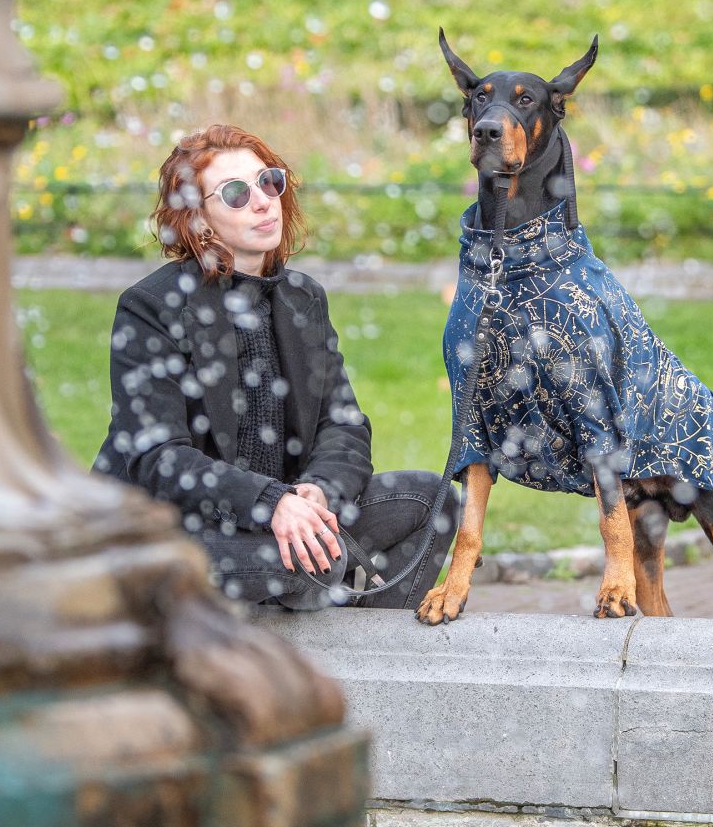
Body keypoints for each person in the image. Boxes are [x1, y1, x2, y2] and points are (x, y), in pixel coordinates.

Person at [94, 124, 459, 610]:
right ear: (198, 220)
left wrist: (318, 493)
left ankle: (364, 663)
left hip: (287, 517)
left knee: (434, 501)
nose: (263, 201)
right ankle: (305, 628)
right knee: (314, 563)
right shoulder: (152, 307)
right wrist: (270, 502)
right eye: (236, 194)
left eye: (268, 181)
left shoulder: (303, 299)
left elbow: (344, 426)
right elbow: (159, 458)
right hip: (174, 533)